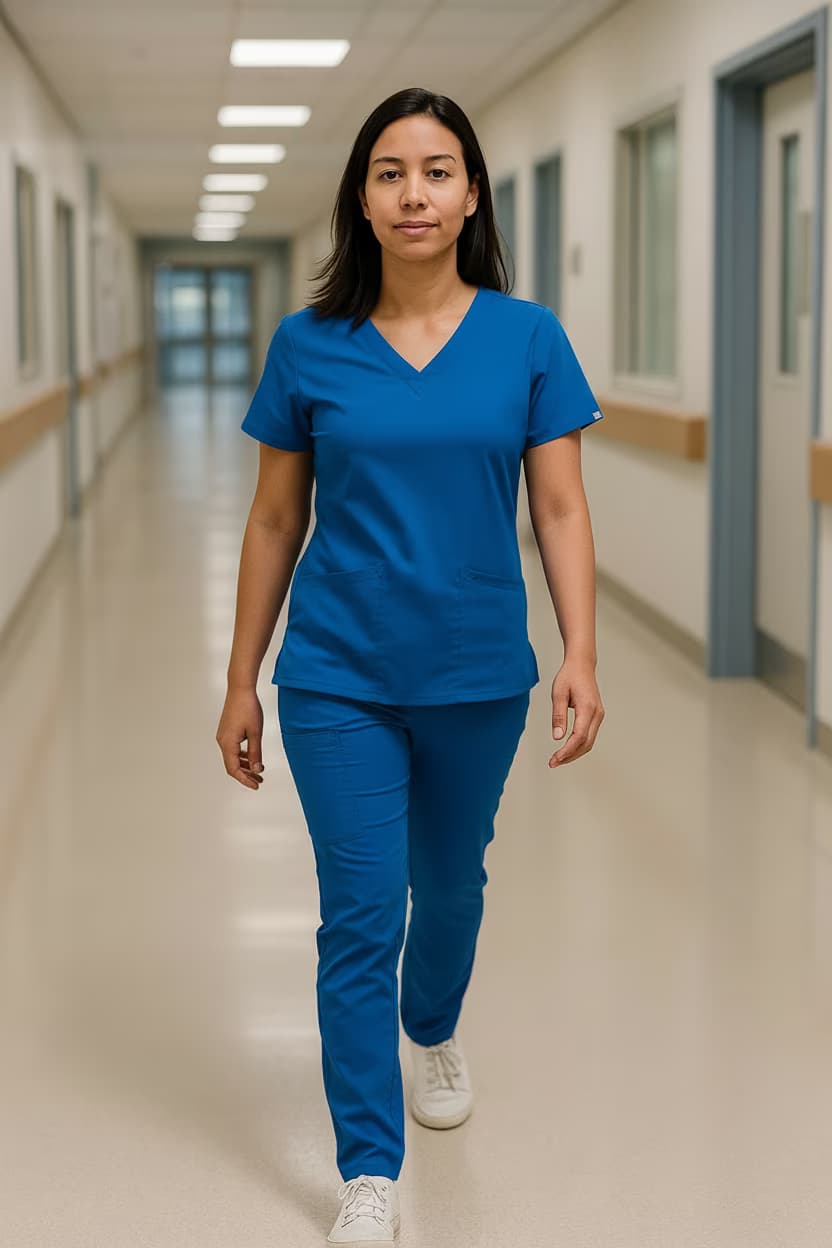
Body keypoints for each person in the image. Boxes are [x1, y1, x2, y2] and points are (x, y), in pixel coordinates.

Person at [216, 85, 606, 1246]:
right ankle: (368, 1170)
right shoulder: (309, 344)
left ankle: (430, 1028)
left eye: (436, 170)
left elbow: (561, 508)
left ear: (470, 191)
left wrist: (580, 650)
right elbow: (275, 520)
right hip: (335, 673)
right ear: (362, 198)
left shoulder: (528, 337)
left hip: (479, 673)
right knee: (357, 916)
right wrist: (242, 674)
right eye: (389, 172)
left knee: (451, 888)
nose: (413, 192)